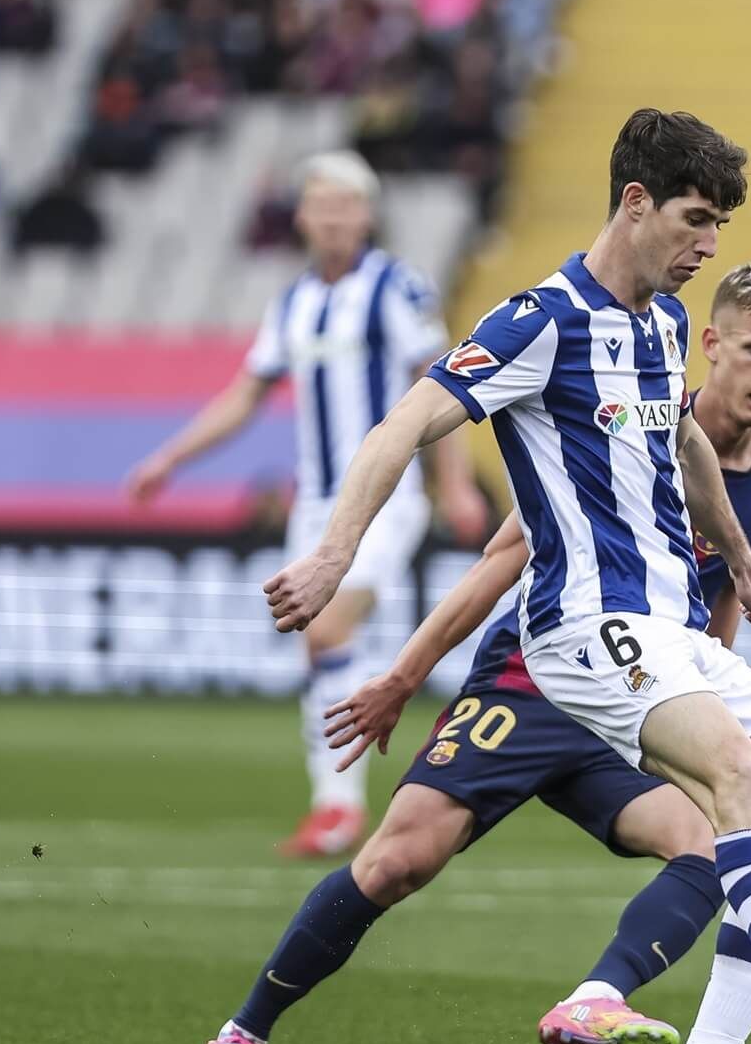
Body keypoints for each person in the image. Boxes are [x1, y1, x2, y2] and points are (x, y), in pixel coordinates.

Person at [257, 109, 751, 1044]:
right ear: (635, 203)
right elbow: (406, 420)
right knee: (734, 776)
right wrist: (336, 552)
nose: (710, 246)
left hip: (668, 627)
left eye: (718, 225)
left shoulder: (665, 323)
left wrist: (747, 563)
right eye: (696, 219)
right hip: (585, 630)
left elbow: (681, 445)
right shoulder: (538, 321)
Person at [126, 150, 487, 855]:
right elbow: (247, 392)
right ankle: (335, 802)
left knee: (327, 633)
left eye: (345, 205)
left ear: (368, 215)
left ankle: (339, 809)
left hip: (386, 497)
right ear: (300, 216)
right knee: (318, 647)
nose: (332, 218)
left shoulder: (397, 288)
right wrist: (170, 458)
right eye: (320, 204)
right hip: (314, 502)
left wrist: (454, 482)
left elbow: (439, 383)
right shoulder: (292, 301)